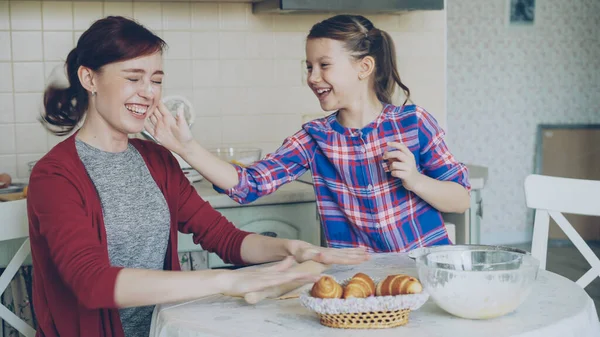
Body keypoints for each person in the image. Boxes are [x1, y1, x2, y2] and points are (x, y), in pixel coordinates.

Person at [27, 16, 369, 337]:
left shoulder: (157, 160)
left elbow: (225, 238)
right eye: (133, 78)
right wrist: (225, 282)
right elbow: (92, 283)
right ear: (90, 79)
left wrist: (292, 248)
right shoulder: (55, 176)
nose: (148, 92)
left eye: (156, 80)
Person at [146, 14, 471, 253]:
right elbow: (249, 185)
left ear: (364, 67)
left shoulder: (413, 123)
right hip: (359, 283)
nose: (313, 77)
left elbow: (461, 199)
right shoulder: (315, 138)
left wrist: (415, 179)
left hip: (428, 273)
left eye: (324, 65)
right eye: (308, 67)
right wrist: (186, 147)